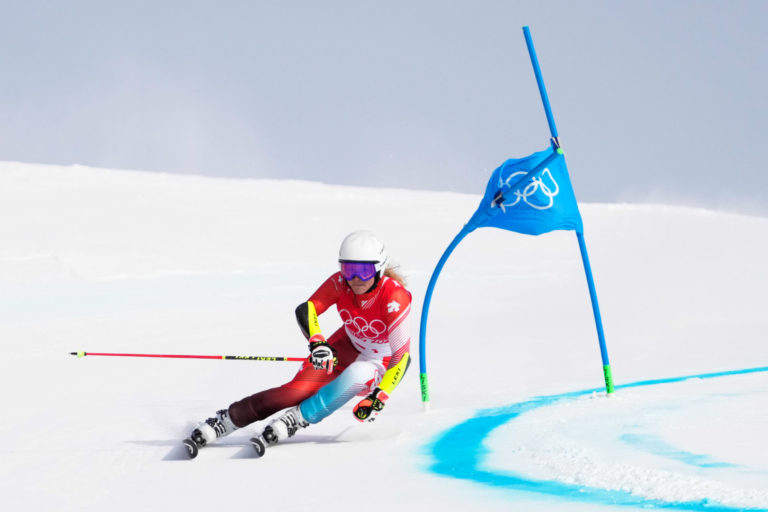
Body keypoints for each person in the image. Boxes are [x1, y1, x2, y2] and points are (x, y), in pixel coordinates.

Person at [186, 230, 412, 456]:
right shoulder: (339, 283)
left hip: (381, 363)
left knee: (358, 373)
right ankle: (225, 421)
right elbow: (307, 308)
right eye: (348, 270)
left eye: (363, 271)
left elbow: (401, 356)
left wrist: (379, 396)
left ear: (379, 269)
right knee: (294, 392)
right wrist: (318, 342)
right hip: (345, 346)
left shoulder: (394, 298)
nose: (355, 279)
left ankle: (297, 418)